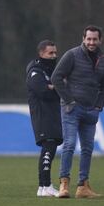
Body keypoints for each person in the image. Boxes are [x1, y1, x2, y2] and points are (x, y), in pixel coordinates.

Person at [51, 25, 104, 198]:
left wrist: (98, 106)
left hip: (91, 111)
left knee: (88, 149)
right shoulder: (72, 55)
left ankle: (83, 187)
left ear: (100, 40)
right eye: (89, 39)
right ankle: (64, 185)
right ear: (83, 38)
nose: (91, 42)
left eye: (95, 39)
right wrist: (69, 100)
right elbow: (56, 77)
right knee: (69, 145)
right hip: (71, 109)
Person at [26, 40, 63, 197]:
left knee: (50, 147)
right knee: (48, 147)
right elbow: (43, 91)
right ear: (41, 54)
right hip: (42, 115)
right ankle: (46, 185)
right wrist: (56, 87)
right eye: (50, 53)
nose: (54, 56)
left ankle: (42, 187)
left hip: (52, 114)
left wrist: (53, 86)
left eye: (55, 53)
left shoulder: (51, 70)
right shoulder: (35, 72)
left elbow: (59, 86)